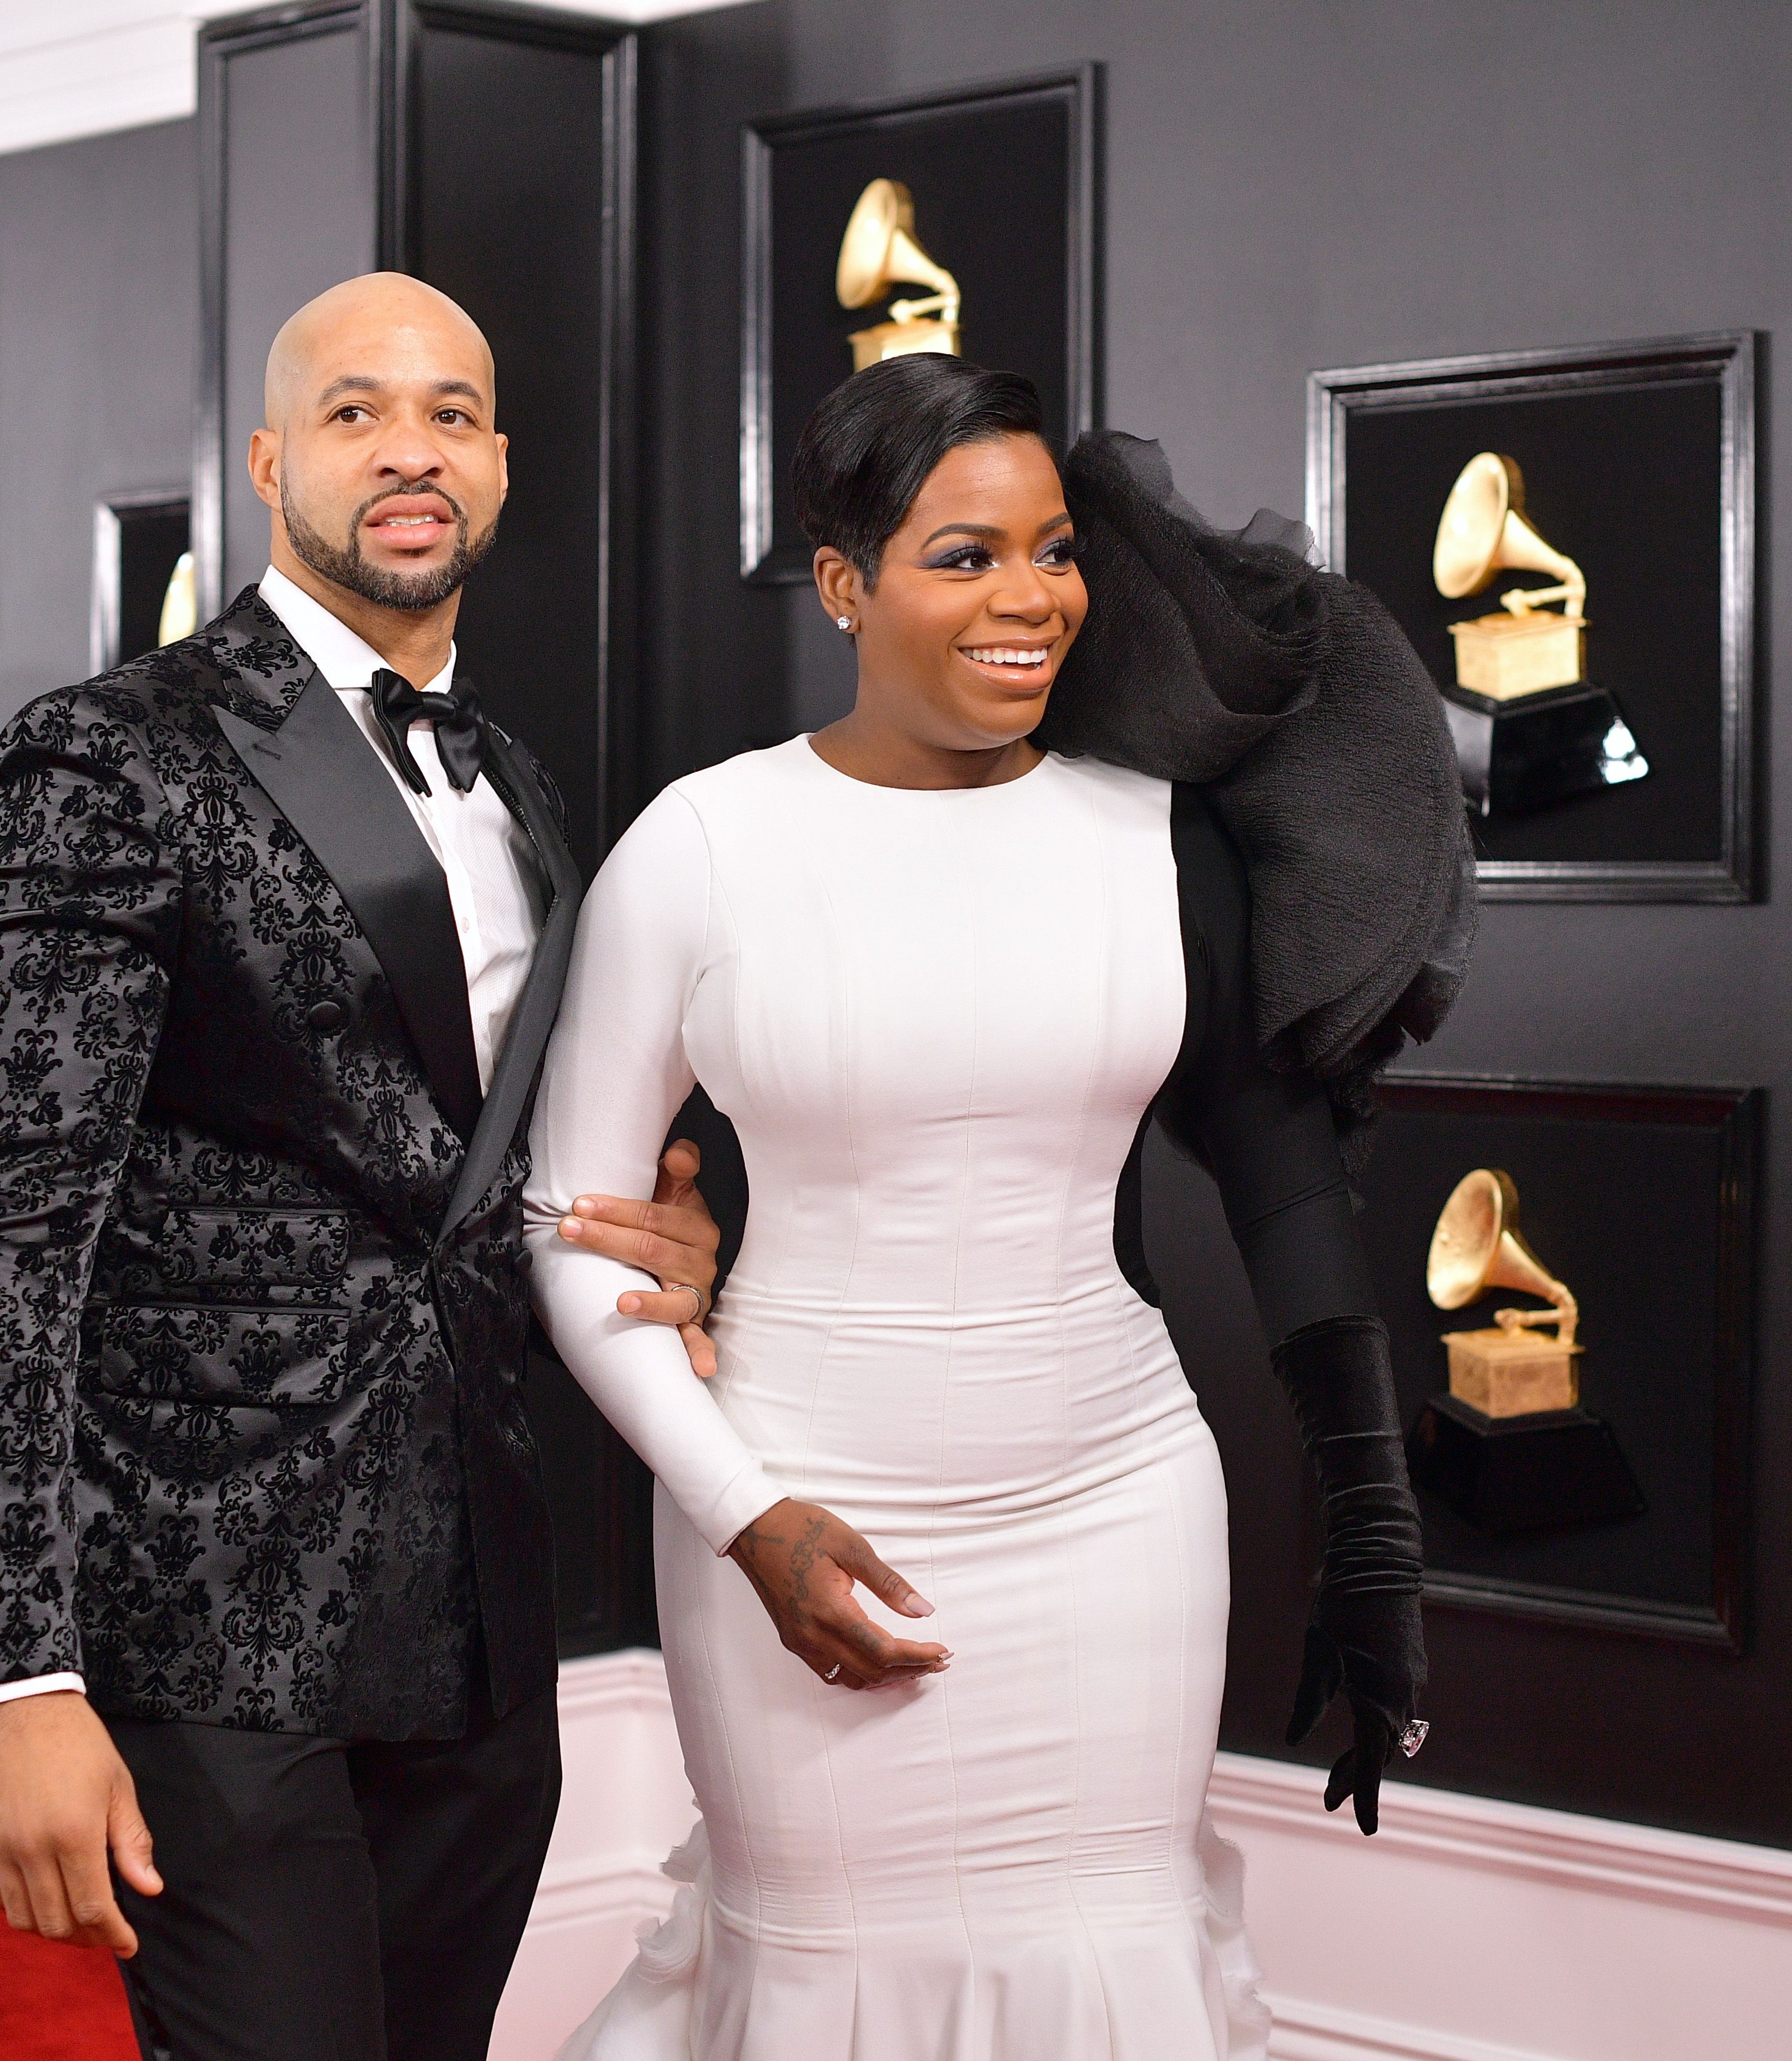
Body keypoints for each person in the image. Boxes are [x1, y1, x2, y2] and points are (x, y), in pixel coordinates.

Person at [524, 355, 1463, 2058]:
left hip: (1118, 1506)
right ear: (842, 584)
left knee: (1112, 1964)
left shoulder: (1157, 837)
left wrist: (1377, 1539)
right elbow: (564, 1216)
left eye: (1050, 549)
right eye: (963, 556)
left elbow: (1280, 1188)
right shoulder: (705, 846)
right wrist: (746, 1514)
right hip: (800, 1499)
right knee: (823, 1976)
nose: (1027, 598)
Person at [0, 272, 728, 2061]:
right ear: (273, 464)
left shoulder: (515, 780)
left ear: (500, 463)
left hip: (475, 1607)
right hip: (198, 1610)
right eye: (357, 413)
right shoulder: (104, 750)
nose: (410, 451)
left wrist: (672, 1224)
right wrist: (18, 1672)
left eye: (451, 411)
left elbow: (485, 1162)